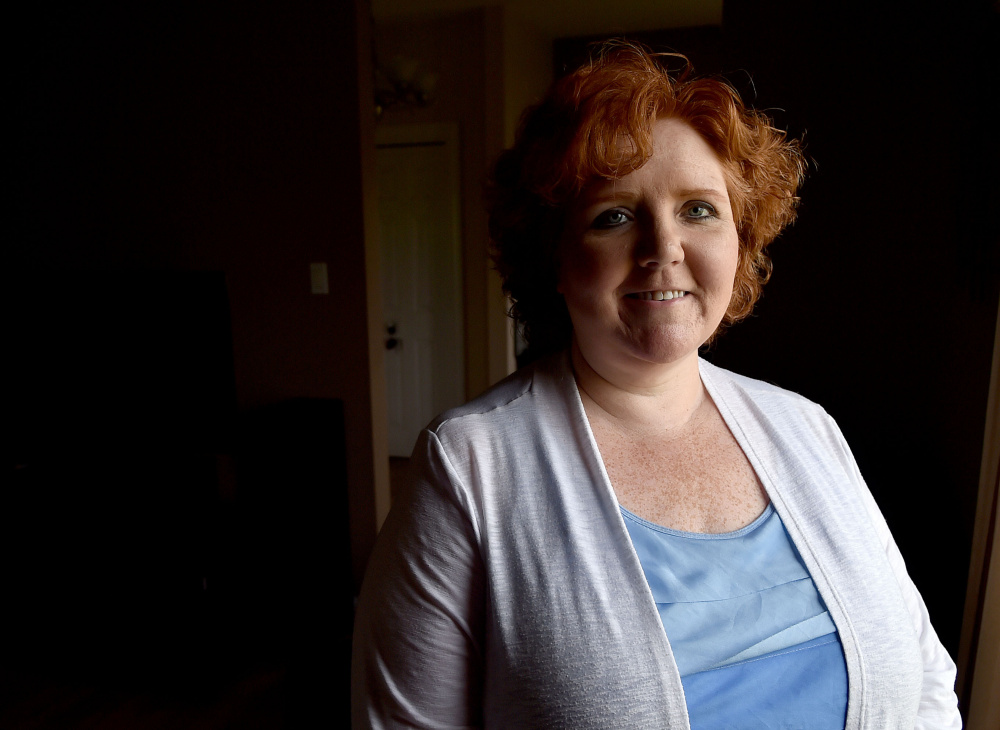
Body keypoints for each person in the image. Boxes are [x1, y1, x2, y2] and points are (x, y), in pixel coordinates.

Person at [352, 43, 961, 729]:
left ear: (742, 239)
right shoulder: (468, 469)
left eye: (699, 210)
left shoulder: (807, 427)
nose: (662, 247)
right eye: (613, 215)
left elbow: (926, 677)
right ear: (553, 256)